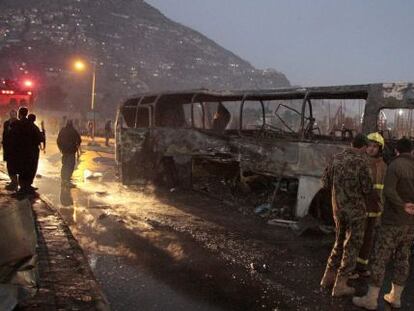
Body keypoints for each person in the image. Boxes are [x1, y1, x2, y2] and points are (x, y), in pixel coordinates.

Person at [353, 137, 414, 310]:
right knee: (403, 258)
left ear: (396, 151)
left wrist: (403, 205)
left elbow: (388, 191)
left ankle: (371, 300)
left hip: (393, 221)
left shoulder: (395, 165)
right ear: (411, 151)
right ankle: (396, 297)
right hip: (410, 224)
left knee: (380, 258)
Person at [320, 134, 374, 297]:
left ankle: (327, 278)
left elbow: (325, 183)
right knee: (351, 247)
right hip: (355, 213)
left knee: (338, 242)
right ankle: (340, 285)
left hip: (338, 210)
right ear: (363, 147)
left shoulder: (335, 158)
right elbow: (367, 189)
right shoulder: (363, 162)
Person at [350, 132, 387, 279]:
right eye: (369, 146)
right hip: (361, 208)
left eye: (375, 147)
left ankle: (361, 267)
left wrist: (381, 208)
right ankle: (350, 268)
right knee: (355, 239)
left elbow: (384, 190)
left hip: (375, 209)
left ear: (380, 149)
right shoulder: (359, 162)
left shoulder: (384, 166)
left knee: (368, 240)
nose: (371, 149)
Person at [9, 107, 42, 194]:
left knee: (21, 169)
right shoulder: (32, 126)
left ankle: (23, 187)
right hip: (31, 153)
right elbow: (40, 138)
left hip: (19, 152)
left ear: (19, 114)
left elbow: (11, 138)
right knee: (29, 169)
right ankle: (27, 186)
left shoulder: (16, 124)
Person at [57, 120, 81, 187]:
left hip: (64, 150)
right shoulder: (73, 131)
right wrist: (77, 146)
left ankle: (63, 179)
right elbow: (79, 140)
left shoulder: (62, 130)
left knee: (64, 164)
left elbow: (58, 140)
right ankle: (67, 179)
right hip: (71, 151)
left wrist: (60, 148)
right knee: (70, 165)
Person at [27, 114, 45, 189]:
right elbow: (41, 139)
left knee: (25, 167)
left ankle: (24, 185)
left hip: (23, 150)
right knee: (32, 167)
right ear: (34, 120)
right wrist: (42, 131)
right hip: (33, 151)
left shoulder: (22, 125)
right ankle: (28, 185)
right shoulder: (34, 128)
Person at [2, 109, 18, 190]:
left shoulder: (18, 124)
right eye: (11, 114)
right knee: (9, 165)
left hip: (15, 149)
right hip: (8, 148)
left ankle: (15, 183)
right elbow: (4, 135)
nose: (12, 115)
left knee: (14, 166)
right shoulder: (6, 123)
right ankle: (13, 182)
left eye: (14, 114)